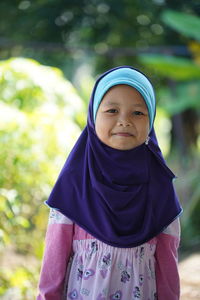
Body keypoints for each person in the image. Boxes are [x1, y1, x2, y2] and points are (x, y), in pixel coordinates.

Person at [37, 66, 182, 300]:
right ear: (94, 116)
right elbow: (54, 260)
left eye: (138, 113)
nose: (124, 121)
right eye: (112, 110)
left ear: (152, 119)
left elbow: (167, 263)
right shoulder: (75, 181)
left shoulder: (160, 185)